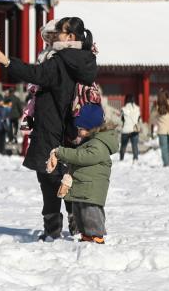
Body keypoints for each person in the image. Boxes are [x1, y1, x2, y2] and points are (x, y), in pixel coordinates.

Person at [0, 16, 98, 242]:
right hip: (72, 129)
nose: (55, 34)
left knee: (49, 178)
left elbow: (36, 74)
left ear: (70, 37)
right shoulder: (84, 59)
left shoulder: (60, 60)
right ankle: (76, 223)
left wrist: (6, 61)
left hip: (51, 127)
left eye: (60, 31)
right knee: (68, 175)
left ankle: (52, 229)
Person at [47, 103, 119, 243]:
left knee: (91, 213)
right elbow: (79, 158)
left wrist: (62, 152)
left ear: (91, 127)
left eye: (80, 128)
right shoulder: (90, 141)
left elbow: (82, 156)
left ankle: (96, 237)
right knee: (79, 213)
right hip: (83, 186)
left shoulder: (98, 144)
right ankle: (86, 235)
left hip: (91, 189)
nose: (78, 130)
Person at [150, 91, 169, 168]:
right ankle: (168, 162)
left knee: (164, 147)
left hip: (162, 130)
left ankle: (166, 163)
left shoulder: (157, 106)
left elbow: (152, 117)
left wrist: (158, 120)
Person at [119, 94, 141, 163]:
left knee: (123, 146)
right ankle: (135, 159)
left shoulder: (123, 109)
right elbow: (139, 119)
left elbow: (122, 119)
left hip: (126, 129)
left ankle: (121, 158)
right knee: (135, 145)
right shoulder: (137, 108)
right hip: (134, 130)